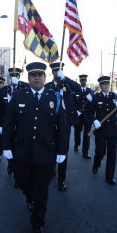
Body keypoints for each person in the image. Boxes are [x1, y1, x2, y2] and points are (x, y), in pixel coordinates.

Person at [2, 62, 68, 233]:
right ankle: (30, 197)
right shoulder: (18, 96)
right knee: (23, 182)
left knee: (42, 189)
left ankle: (38, 222)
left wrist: (62, 150)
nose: (37, 77)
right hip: (22, 151)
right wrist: (6, 145)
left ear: (45, 78)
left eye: (40, 74)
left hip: (46, 152)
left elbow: (62, 126)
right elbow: (9, 123)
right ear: (28, 77)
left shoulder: (54, 97)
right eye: (33, 75)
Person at [45, 62, 79, 192]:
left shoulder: (68, 85)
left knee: (63, 150)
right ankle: (52, 168)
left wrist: (65, 79)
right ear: (52, 73)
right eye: (54, 71)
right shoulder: (47, 86)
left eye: (59, 71)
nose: (56, 73)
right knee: (51, 147)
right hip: (50, 123)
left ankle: (61, 180)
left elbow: (78, 89)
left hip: (65, 122)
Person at [89, 76, 117, 185]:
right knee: (101, 151)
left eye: (107, 84)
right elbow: (89, 112)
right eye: (103, 84)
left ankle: (109, 177)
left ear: (109, 85)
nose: (106, 86)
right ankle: (96, 163)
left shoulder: (115, 96)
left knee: (112, 155)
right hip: (101, 130)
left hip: (113, 130)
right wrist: (94, 120)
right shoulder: (96, 97)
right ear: (100, 86)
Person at [0, 67, 28, 176]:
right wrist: (0, 124)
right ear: (10, 77)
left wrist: (19, 87)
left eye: (16, 76)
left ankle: (17, 173)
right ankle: (10, 163)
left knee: (19, 148)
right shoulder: (3, 90)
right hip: (7, 124)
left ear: (19, 77)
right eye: (12, 76)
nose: (14, 78)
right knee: (8, 146)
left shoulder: (25, 87)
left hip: (21, 123)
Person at [73, 74, 93, 159]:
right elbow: (72, 103)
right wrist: (75, 112)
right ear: (79, 81)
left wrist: (92, 99)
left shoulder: (91, 92)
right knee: (77, 132)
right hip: (78, 116)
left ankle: (85, 152)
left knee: (87, 135)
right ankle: (76, 144)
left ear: (86, 81)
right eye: (82, 80)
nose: (83, 81)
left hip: (88, 117)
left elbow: (94, 105)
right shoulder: (75, 92)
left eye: (84, 80)